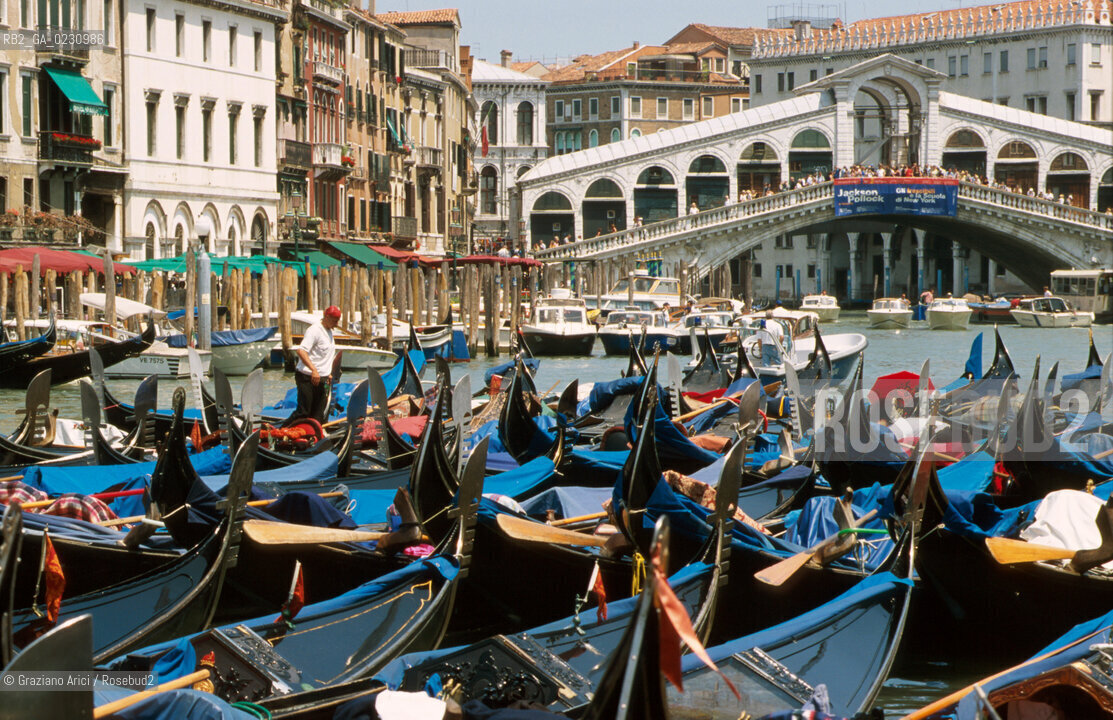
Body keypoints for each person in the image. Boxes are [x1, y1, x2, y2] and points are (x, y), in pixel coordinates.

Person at [294, 305, 341, 424]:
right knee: (304, 412)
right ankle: (281, 433)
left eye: (337, 321)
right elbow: (301, 351)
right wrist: (313, 370)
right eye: (335, 321)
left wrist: (328, 373)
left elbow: (325, 356)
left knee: (319, 415)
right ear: (327, 317)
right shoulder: (314, 330)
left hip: (322, 378)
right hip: (307, 377)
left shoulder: (329, 332)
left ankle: (313, 437)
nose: (336, 324)